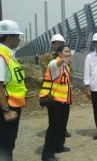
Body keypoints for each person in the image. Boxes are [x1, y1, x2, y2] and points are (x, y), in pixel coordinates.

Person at [0, 20, 27, 161]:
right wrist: (6, 110)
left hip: (12, 106)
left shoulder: (7, 54)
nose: (19, 39)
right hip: (7, 108)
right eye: (17, 36)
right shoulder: (1, 55)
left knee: (8, 142)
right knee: (6, 144)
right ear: (9, 38)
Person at [40, 44, 72, 161]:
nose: (68, 54)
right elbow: (54, 65)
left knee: (62, 125)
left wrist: (65, 63)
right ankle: (47, 153)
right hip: (55, 102)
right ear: (59, 53)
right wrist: (62, 61)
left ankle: (59, 146)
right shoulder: (54, 63)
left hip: (65, 101)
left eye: (69, 52)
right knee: (53, 126)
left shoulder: (66, 67)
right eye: (65, 52)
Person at [41, 34, 72, 138]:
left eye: (61, 43)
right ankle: (51, 145)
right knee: (54, 121)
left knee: (62, 120)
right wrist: (62, 60)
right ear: (53, 44)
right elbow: (50, 69)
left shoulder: (66, 61)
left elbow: (67, 73)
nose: (59, 44)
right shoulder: (49, 59)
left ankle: (60, 137)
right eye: (57, 43)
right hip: (53, 93)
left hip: (64, 94)